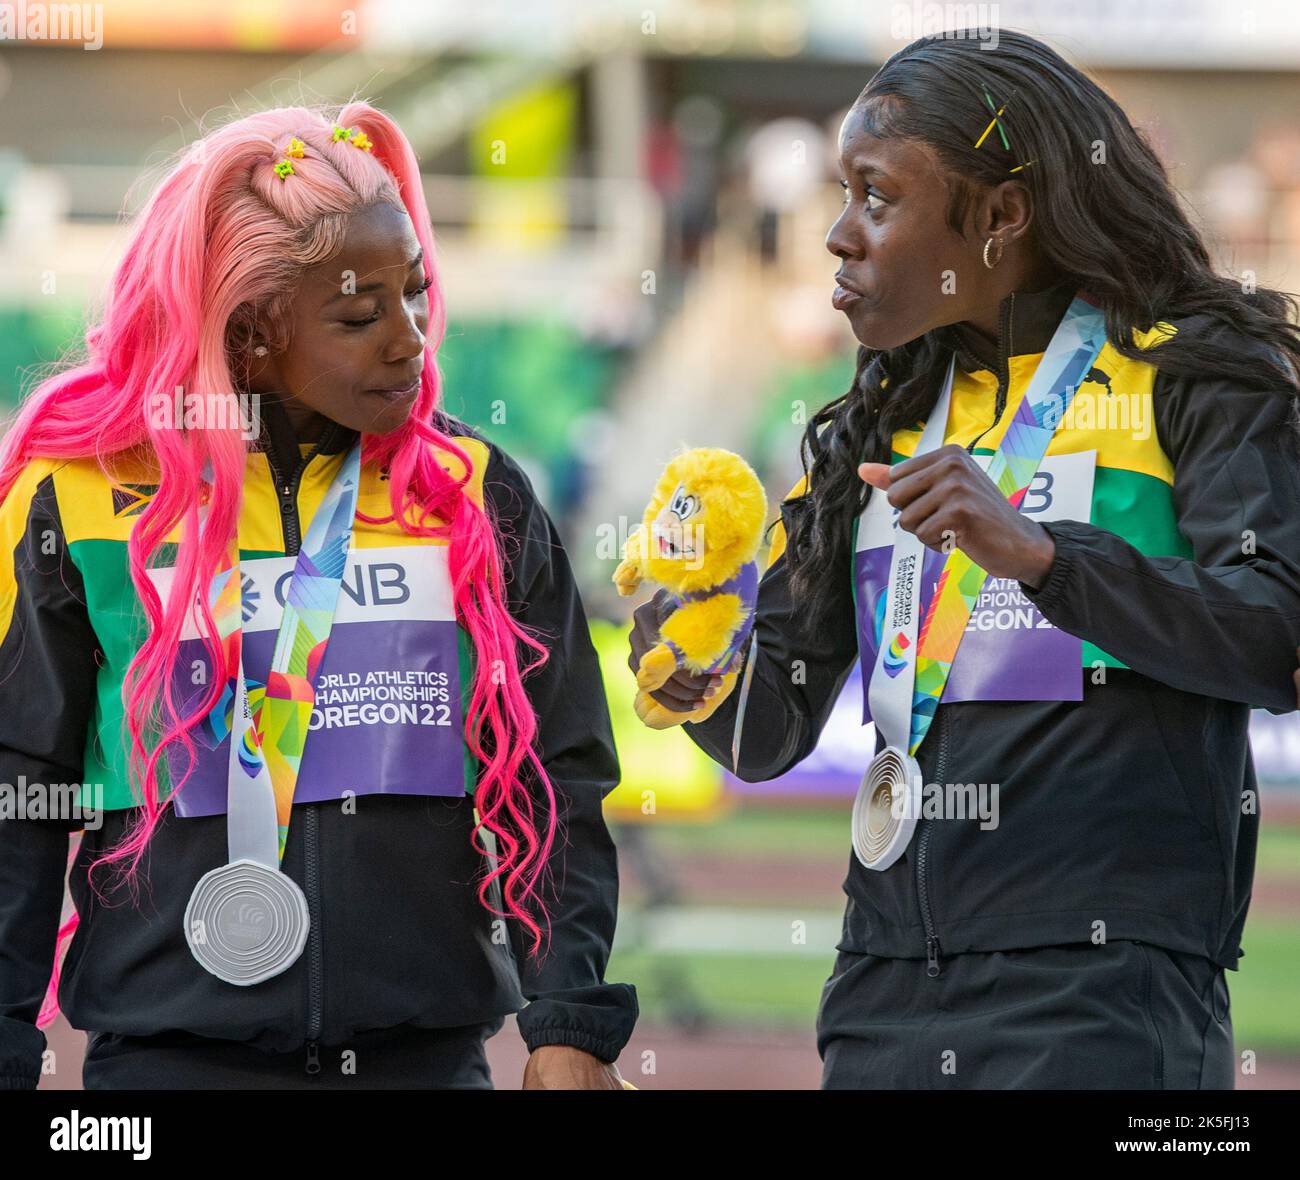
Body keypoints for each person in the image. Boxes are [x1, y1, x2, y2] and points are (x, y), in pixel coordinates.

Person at [631, 31, 1300, 1089]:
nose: (838, 237)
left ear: (998, 216)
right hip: (880, 987)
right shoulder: (873, 419)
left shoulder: (1194, 373)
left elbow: (1274, 637)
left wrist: (1043, 557)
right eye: (839, 197)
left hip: (1108, 994)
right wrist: (685, 642)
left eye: (877, 197)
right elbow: (766, 730)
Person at [0, 103, 636, 1090]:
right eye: (359, 313)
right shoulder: (74, 499)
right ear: (248, 332)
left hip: (424, 1061)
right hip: (169, 1064)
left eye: (416, 294)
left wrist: (569, 1020)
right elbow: (18, 792)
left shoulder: (472, 495)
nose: (409, 337)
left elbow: (556, 772)